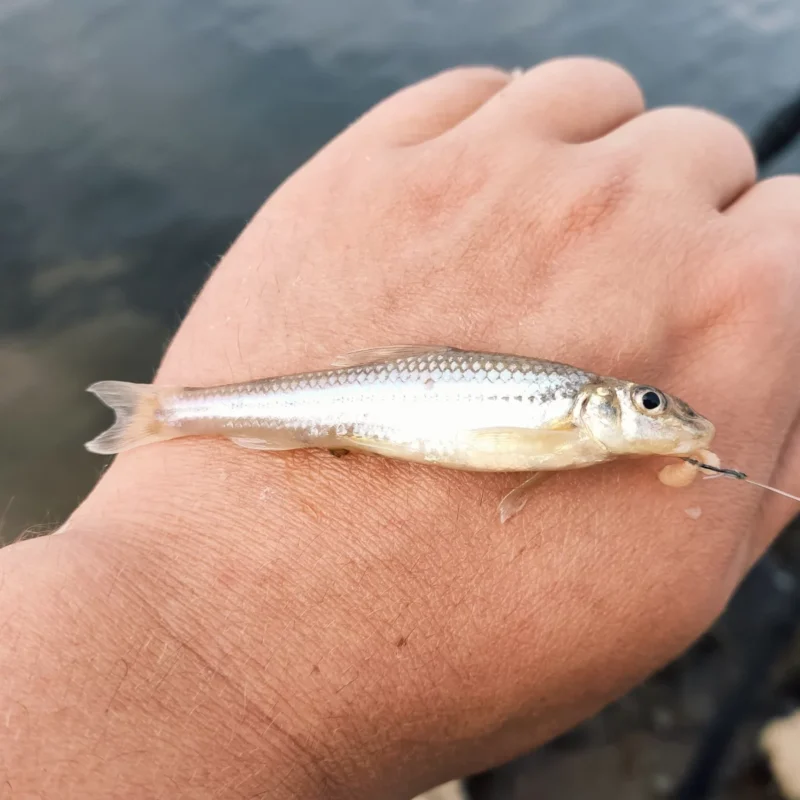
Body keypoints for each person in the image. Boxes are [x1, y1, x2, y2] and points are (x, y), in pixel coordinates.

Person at [2, 57, 799, 799]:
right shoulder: (576, 416)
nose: (660, 415)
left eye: (656, 406)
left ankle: (168, 412)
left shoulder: (581, 432)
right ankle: (168, 412)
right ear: (605, 405)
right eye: (652, 404)